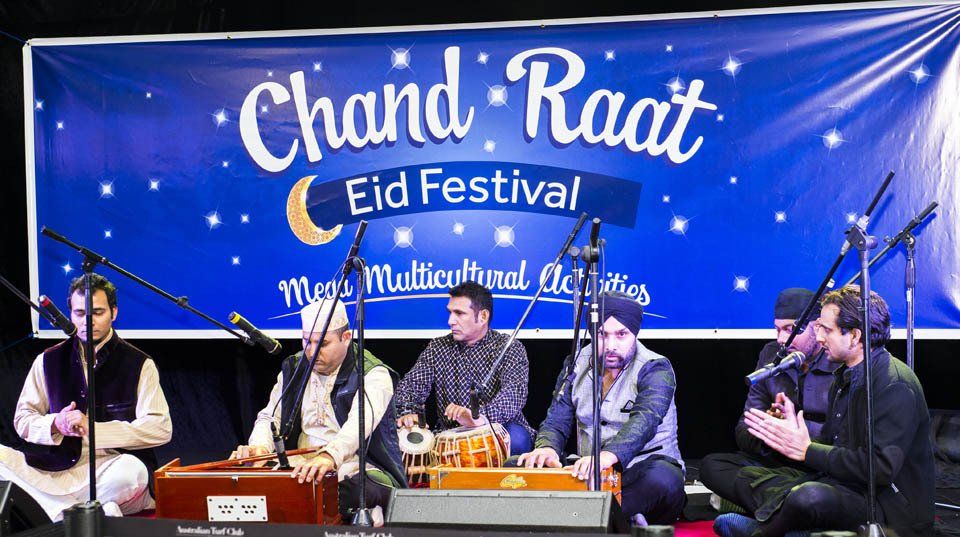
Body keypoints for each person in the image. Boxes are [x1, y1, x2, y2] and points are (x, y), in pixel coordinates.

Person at [728, 286, 934, 536]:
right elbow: (833, 447)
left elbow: (879, 469)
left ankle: (763, 532)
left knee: (808, 496)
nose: (820, 337)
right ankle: (793, 526)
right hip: (845, 484)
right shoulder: (845, 374)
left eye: (826, 330)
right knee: (752, 476)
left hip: (888, 508)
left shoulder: (894, 384)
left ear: (855, 336)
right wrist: (793, 434)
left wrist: (806, 450)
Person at [0, 273, 172, 521]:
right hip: (56, 471)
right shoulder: (48, 360)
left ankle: (55, 514)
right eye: (80, 314)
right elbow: (23, 420)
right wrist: (55, 424)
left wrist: (92, 430)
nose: (88, 322)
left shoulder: (139, 363)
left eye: (97, 313)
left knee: (132, 471)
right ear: (70, 313)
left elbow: (160, 428)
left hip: (111, 470)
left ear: (114, 313)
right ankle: (78, 514)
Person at [518, 291, 685, 526]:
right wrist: (547, 449)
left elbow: (645, 420)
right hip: (588, 473)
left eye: (621, 334)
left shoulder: (656, 368)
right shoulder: (576, 363)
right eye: (601, 335)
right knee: (517, 466)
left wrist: (607, 456)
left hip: (639, 472)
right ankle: (613, 517)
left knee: (664, 478)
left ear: (634, 334)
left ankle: (584, 517)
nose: (610, 345)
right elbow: (556, 420)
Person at [232, 298, 405, 522]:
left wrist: (329, 456)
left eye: (321, 344)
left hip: (356, 466)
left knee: (355, 492)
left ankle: (366, 513)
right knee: (254, 484)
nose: (311, 352)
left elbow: (356, 428)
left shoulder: (373, 374)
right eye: (306, 341)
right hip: (302, 466)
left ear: (346, 337)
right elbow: (269, 416)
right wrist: (259, 447)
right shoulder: (294, 368)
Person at [700, 288, 839, 509]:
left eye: (791, 329)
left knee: (834, 485)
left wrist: (797, 437)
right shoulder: (771, 355)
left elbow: (848, 445)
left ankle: (765, 507)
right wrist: (770, 429)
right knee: (713, 466)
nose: (782, 339)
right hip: (778, 466)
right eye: (777, 329)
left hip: (822, 467)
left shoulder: (838, 358)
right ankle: (789, 505)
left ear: (818, 327)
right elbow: (743, 431)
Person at [394, 281, 534, 454]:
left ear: (482, 316)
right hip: (450, 435)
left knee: (518, 439)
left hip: (500, 430)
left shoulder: (509, 347)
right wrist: (409, 414)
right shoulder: (438, 347)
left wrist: (478, 417)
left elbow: (514, 394)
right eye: (450, 313)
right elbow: (409, 389)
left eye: (459, 313)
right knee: (404, 438)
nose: (450, 321)